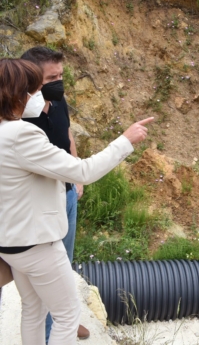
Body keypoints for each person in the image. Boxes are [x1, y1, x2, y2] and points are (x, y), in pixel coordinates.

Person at [0, 58, 153, 345]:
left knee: (33, 309)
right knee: (68, 314)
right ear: (16, 95)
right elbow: (83, 170)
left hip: (11, 243)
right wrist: (125, 141)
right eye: (33, 90)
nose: (39, 96)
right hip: (38, 244)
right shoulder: (21, 135)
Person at [20, 46, 87, 341]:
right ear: (32, 78)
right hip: (38, 204)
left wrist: (76, 175)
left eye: (61, 74)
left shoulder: (58, 101)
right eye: (52, 77)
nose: (59, 81)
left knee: (65, 262)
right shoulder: (17, 116)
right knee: (42, 272)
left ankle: (65, 319)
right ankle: (54, 330)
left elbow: (67, 135)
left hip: (67, 194)